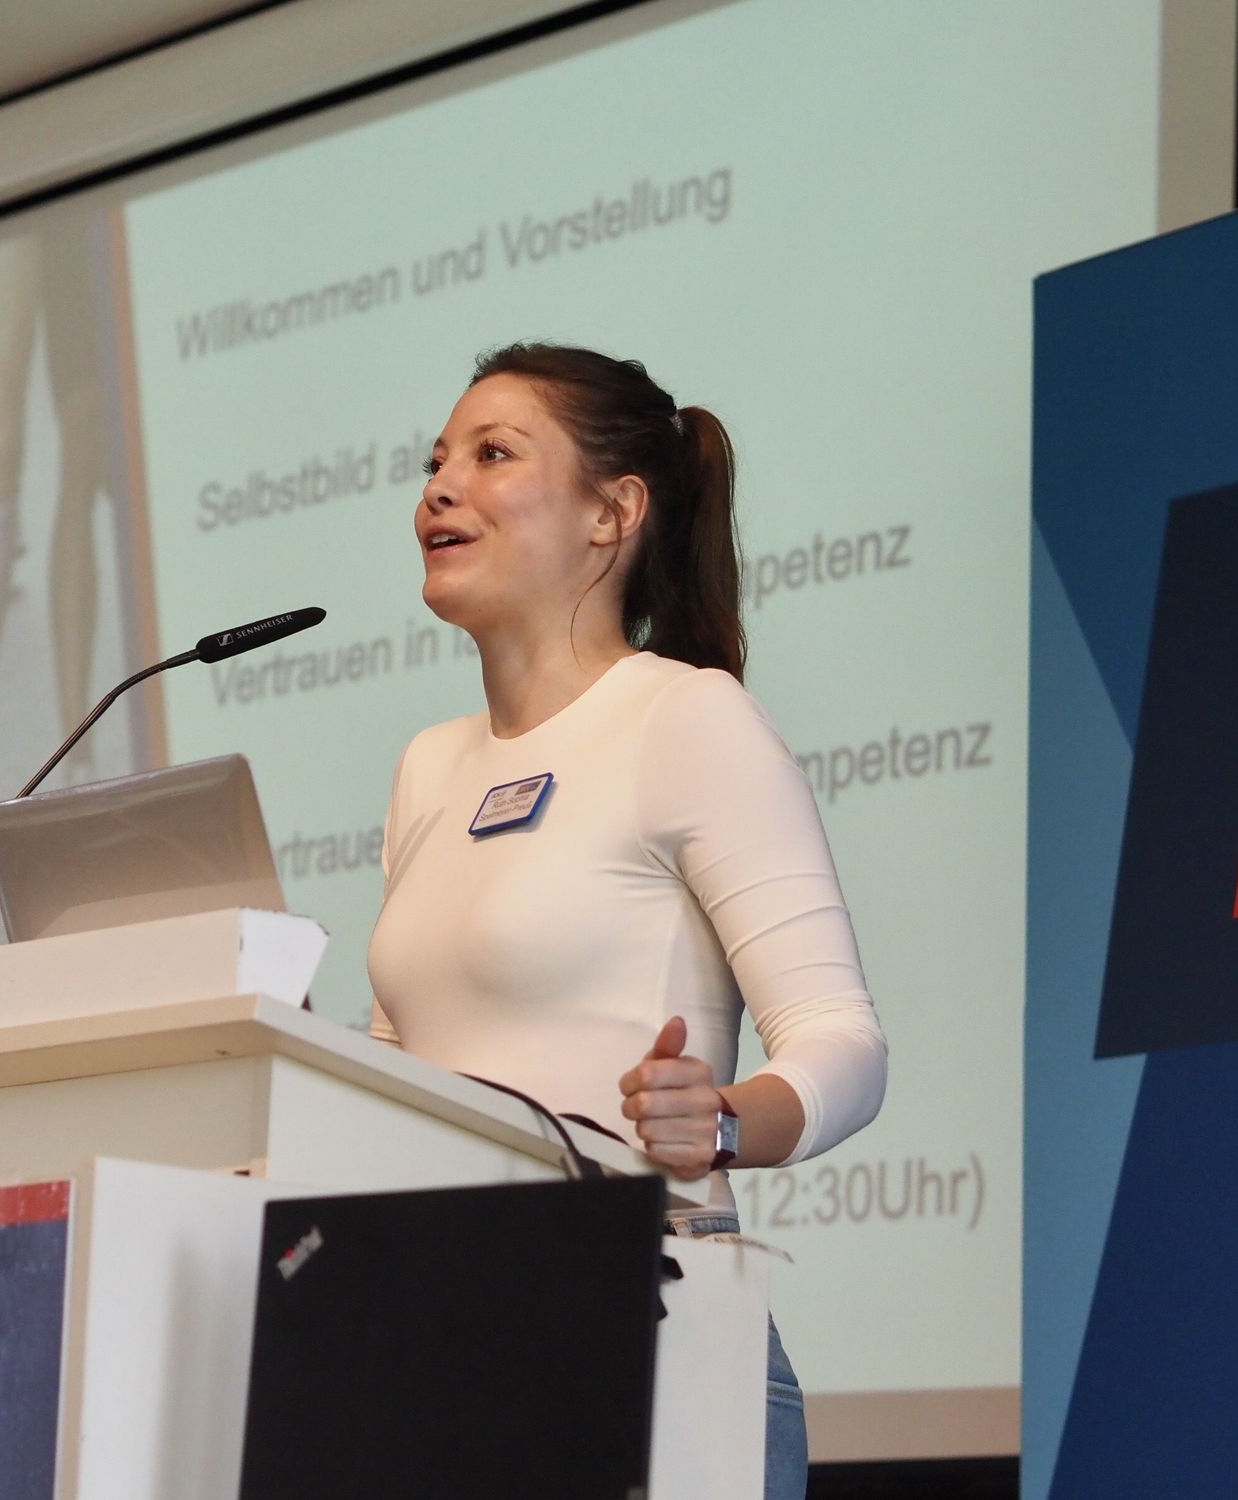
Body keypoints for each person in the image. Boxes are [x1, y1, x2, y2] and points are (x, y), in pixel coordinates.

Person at [365, 343, 888, 1500]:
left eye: (491, 455)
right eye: (435, 461)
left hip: (651, 1338)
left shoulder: (684, 718)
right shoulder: (426, 767)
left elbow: (844, 1045)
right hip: (440, 1343)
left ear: (612, 514)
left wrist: (720, 1122)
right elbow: (399, 1074)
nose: (439, 488)